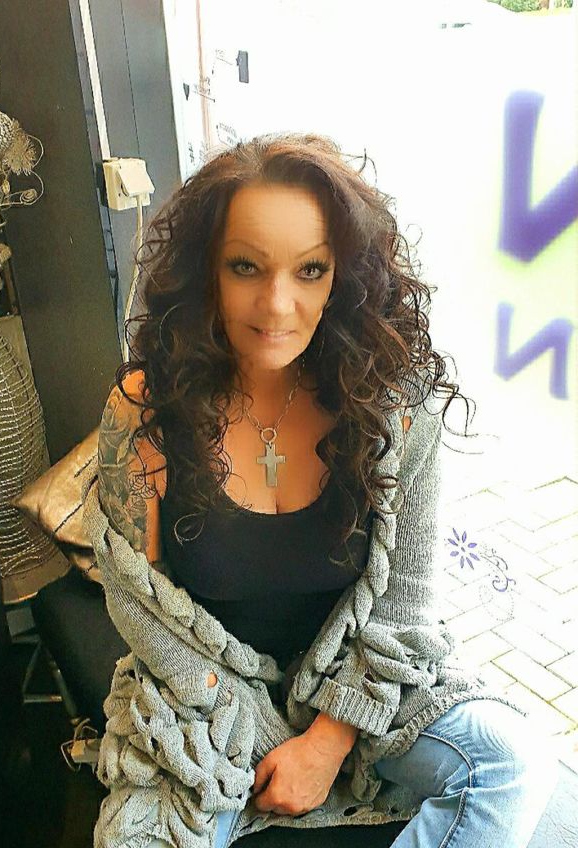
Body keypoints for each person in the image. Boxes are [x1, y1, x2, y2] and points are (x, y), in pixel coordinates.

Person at [93, 133, 558, 848]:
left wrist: (328, 740)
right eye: (246, 266)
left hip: (369, 688)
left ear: (343, 275)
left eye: (310, 270)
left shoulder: (397, 406)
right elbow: (139, 606)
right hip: (203, 707)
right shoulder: (144, 411)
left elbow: (404, 600)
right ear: (206, 269)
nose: (278, 304)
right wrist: (258, 733)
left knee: (513, 764)